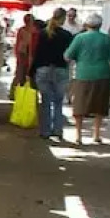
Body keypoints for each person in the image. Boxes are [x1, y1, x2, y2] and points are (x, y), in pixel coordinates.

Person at [64, 12, 110, 145]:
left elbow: (68, 56)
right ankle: (97, 134)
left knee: (80, 105)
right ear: (100, 25)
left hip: (83, 74)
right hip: (102, 74)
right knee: (100, 105)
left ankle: (78, 136)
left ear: (87, 24)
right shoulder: (106, 39)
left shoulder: (80, 38)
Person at [30, 8, 73, 141]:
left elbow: (37, 53)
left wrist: (31, 71)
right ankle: (58, 130)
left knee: (45, 102)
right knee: (59, 102)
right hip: (60, 70)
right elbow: (69, 55)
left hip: (43, 69)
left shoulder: (43, 34)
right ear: (63, 18)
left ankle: (45, 131)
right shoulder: (67, 35)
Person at [12, 13, 38, 88]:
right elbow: (18, 44)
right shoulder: (26, 30)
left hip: (28, 55)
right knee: (22, 74)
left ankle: (23, 89)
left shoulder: (34, 31)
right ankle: (21, 89)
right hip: (23, 55)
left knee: (25, 74)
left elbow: (18, 44)